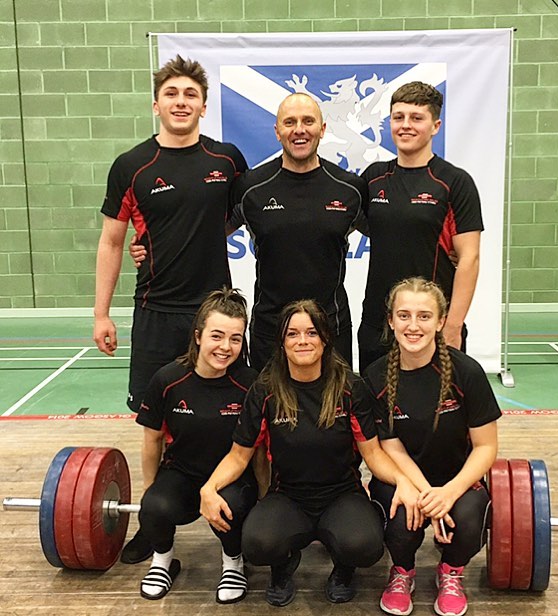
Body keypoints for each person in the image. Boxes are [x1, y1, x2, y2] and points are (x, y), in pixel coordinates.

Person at [93, 55, 247, 563]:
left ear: (204, 106)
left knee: (236, 415)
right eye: (172, 94)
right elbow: (113, 242)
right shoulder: (131, 166)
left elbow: (230, 221)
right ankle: (153, 518)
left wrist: (186, 239)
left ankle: (243, 512)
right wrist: (101, 313)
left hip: (215, 315)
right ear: (155, 103)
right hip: (156, 311)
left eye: (191, 95)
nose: (181, 102)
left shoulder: (226, 160)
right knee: (153, 422)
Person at [200, 299, 417, 607]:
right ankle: (282, 566)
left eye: (311, 333)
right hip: (288, 495)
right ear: (282, 342)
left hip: (342, 494)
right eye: (292, 334)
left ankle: (344, 569)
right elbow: (238, 456)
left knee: (365, 546)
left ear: (325, 339)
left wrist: (403, 481)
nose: (302, 341)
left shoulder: (350, 388)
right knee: (257, 544)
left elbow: (374, 454)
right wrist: (209, 487)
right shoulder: (265, 391)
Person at [362, 277, 501, 616]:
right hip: (404, 478)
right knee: (399, 519)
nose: (413, 325)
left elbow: (486, 447)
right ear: (391, 320)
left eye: (424, 316)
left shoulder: (467, 373)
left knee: (468, 521)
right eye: (404, 315)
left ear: (440, 322)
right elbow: (391, 448)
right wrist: (425, 495)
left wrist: (450, 494)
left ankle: (451, 571)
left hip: (457, 478)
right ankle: (402, 571)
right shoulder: (375, 377)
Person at [226, 93, 368, 371]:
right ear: (278, 132)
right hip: (270, 331)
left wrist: (448, 248)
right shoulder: (251, 188)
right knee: (271, 413)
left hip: (331, 328)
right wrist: (149, 245)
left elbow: (393, 233)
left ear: (322, 130)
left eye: (308, 121)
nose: (299, 130)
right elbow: (206, 234)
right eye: (290, 122)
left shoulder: (350, 189)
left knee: (333, 414)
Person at [135, 288, 258, 602]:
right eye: (217, 336)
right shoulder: (167, 380)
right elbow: (152, 439)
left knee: (229, 505)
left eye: (235, 338)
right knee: (154, 506)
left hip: (231, 478)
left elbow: (256, 454)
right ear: (199, 335)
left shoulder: (249, 384)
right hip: (182, 475)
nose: (225, 347)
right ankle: (162, 560)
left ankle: (233, 563)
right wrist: (149, 490)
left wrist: (266, 496)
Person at [358, 82, 483, 373]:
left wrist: (452, 325)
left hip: (430, 324)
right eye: (398, 117)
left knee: (437, 414)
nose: (405, 125)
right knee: (375, 411)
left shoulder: (454, 182)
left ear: (435, 125)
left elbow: (469, 259)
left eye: (416, 118)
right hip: (378, 322)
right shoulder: (374, 178)